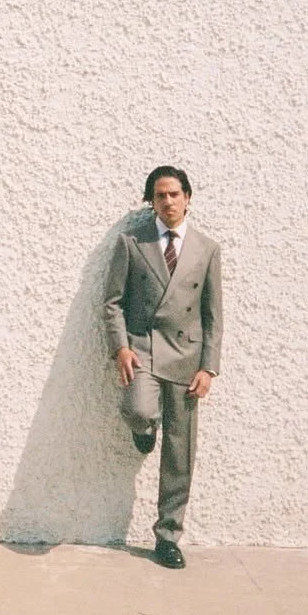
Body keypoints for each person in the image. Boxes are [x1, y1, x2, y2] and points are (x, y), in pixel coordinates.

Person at [102, 166, 222, 570]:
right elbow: (112, 301)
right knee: (138, 408)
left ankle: (168, 536)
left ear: (188, 197)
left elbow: (212, 315)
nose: (167, 202)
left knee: (179, 452)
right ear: (150, 201)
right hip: (144, 349)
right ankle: (143, 428)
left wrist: (209, 367)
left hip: (187, 359)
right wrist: (120, 347)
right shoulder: (132, 242)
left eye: (174, 194)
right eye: (159, 195)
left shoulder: (206, 249)